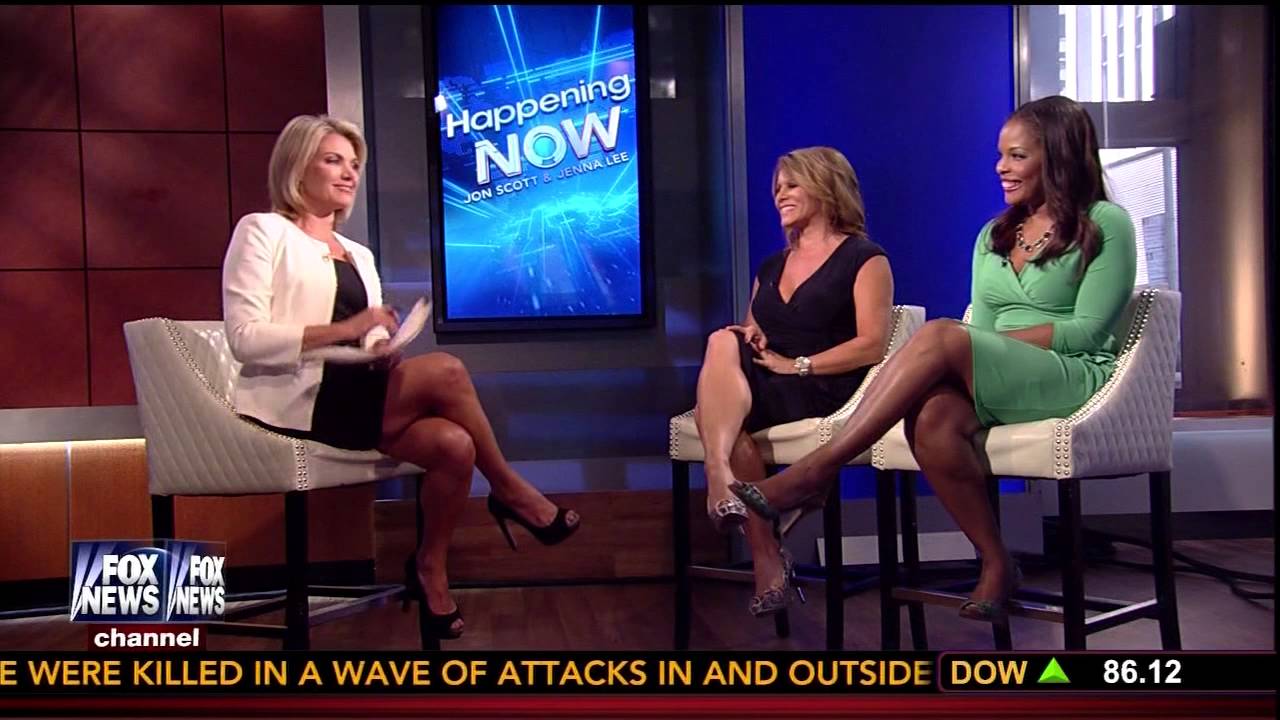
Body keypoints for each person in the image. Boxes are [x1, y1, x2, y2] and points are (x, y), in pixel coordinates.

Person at [730, 96, 1137, 624]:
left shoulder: (1105, 223)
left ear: (1057, 158)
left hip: (1075, 375)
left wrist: (982, 345)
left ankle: (816, 470)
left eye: (1017, 156)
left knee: (945, 334)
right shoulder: (993, 236)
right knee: (932, 419)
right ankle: (996, 561)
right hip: (1002, 375)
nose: (1001, 167)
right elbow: (982, 328)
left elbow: (1089, 331)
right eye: (1000, 155)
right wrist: (979, 346)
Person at [222, 114, 580, 640]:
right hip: (298, 403)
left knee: (454, 445)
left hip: (356, 397)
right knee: (447, 370)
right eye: (333, 160)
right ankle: (507, 488)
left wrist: (379, 349)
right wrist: (344, 330)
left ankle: (430, 565)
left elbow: (363, 336)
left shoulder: (359, 254)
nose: (349, 173)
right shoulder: (263, 231)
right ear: (297, 166)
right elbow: (245, 338)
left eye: (354, 164)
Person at [693, 146, 894, 616]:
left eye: (792, 184)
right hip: (766, 381)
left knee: (717, 406)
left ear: (825, 186)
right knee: (724, 341)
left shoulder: (864, 258)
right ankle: (764, 548)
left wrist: (799, 365)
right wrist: (753, 337)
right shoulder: (771, 266)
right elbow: (752, 331)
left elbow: (872, 345)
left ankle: (722, 484)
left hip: (823, 386)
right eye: (777, 187)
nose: (779, 194)